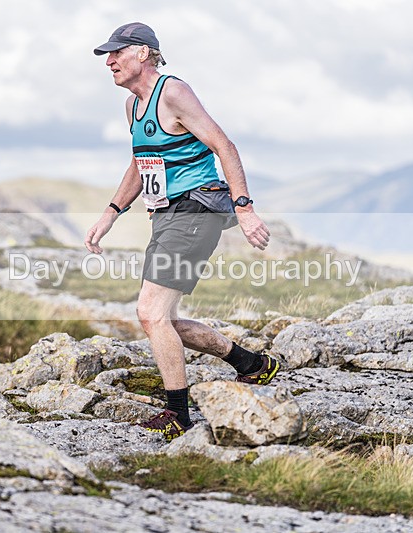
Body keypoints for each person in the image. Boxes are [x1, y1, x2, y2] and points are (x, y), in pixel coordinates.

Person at [86, 22, 280, 441]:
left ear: (143, 53)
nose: (109, 61)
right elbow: (142, 164)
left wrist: (244, 209)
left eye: (116, 53)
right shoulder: (131, 108)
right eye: (107, 55)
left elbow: (224, 146)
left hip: (197, 208)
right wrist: (111, 213)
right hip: (166, 215)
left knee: (150, 313)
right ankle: (252, 364)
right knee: (166, 319)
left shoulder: (173, 92)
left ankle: (179, 415)